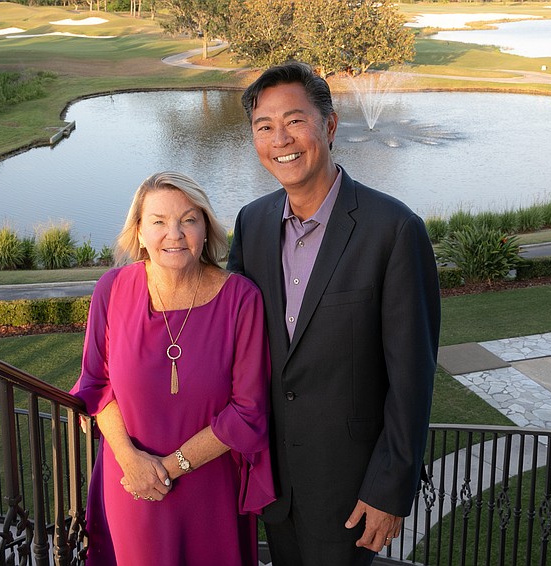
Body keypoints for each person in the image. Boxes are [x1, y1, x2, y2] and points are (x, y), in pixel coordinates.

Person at [227, 61, 441, 566]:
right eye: (264, 126)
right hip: (272, 483)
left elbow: (412, 377)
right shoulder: (252, 223)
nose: (280, 138)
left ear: (329, 124)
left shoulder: (394, 230)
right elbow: (226, 339)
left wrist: (390, 488)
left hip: (349, 491)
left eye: (295, 120)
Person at [71, 171, 274, 566]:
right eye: (159, 222)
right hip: (130, 486)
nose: (174, 234)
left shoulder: (241, 300)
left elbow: (248, 412)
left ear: (206, 228)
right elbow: (96, 385)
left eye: (188, 220)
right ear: (140, 232)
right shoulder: (110, 290)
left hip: (208, 490)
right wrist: (132, 461)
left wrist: (166, 469)